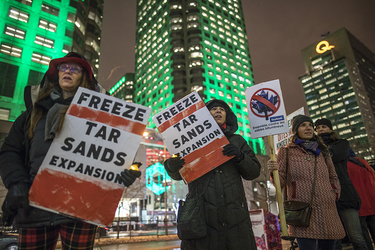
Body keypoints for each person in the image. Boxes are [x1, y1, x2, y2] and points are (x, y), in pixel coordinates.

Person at [0, 52, 141, 250]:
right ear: (55, 74)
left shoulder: (103, 117)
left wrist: (124, 172)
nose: (68, 71)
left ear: (84, 76)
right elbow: (9, 151)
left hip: (81, 208)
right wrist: (16, 183)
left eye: (75, 68)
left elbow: (114, 154)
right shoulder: (33, 113)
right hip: (35, 204)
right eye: (63, 67)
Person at [164, 99, 261, 250]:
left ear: (227, 115)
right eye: (213, 109)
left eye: (222, 109)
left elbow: (254, 172)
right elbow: (178, 175)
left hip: (234, 215)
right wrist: (171, 166)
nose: (218, 111)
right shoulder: (190, 141)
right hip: (201, 215)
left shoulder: (237, 140)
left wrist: (240, 156)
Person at [268, 115, 345, 250]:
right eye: (303, 125)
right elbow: (280, 183)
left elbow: (333, 176)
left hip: (327, 208)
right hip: (302, 210)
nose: (308, 127)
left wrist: (334, 193)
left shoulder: (323, 151)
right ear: (296, 130)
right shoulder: (286, 151)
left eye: (310, 125)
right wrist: (273, 172)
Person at [315, 118, 367, 250]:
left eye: (323, 127)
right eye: (318, 128)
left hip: (345, 194)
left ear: (330, 129)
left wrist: (315, 149)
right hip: (326, 197)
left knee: (356, 237)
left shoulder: (342, 143)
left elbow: (331, 156)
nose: (320, 130)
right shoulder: (314, 147)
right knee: (334, 241)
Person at [347, 157, 375, 250]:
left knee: (363, 236)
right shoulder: (362, 162)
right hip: (371, 200)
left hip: (358, 204)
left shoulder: (343, 166)